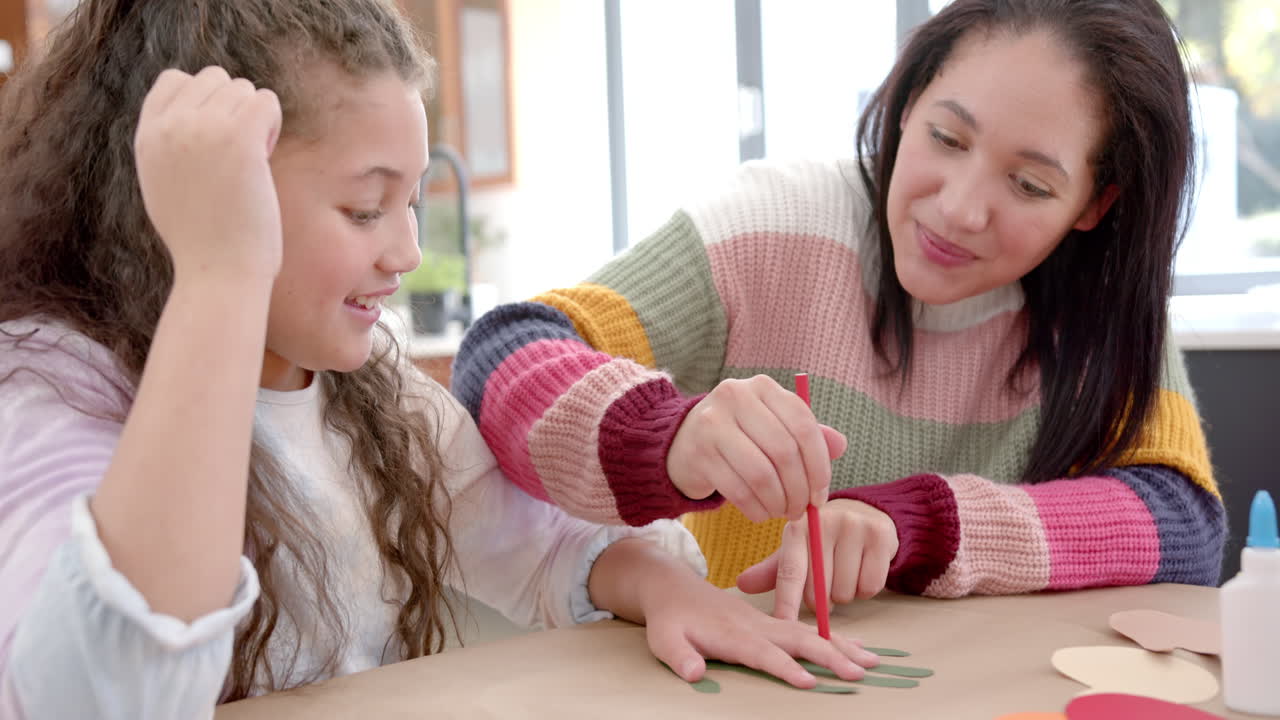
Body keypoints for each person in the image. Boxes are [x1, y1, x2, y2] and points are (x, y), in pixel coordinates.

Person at [0, 1, 880, 717]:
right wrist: (222, 273)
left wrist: (661, 584)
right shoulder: (49, 381)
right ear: (197, 201)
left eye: (410, 202)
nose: (407, 251)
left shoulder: (359, 381)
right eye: (364, 210)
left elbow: (534, 538)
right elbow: (102, 695)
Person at [452, 0, 1227, 623]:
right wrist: (668, 435)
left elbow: (1181, 522)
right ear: (904, 101)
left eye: (1029, 186)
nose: (959, 210)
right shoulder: (780, 223)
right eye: (946, 136)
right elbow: (503, 359)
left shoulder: (1100, 299)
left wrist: (923, 525)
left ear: (1095, 204)